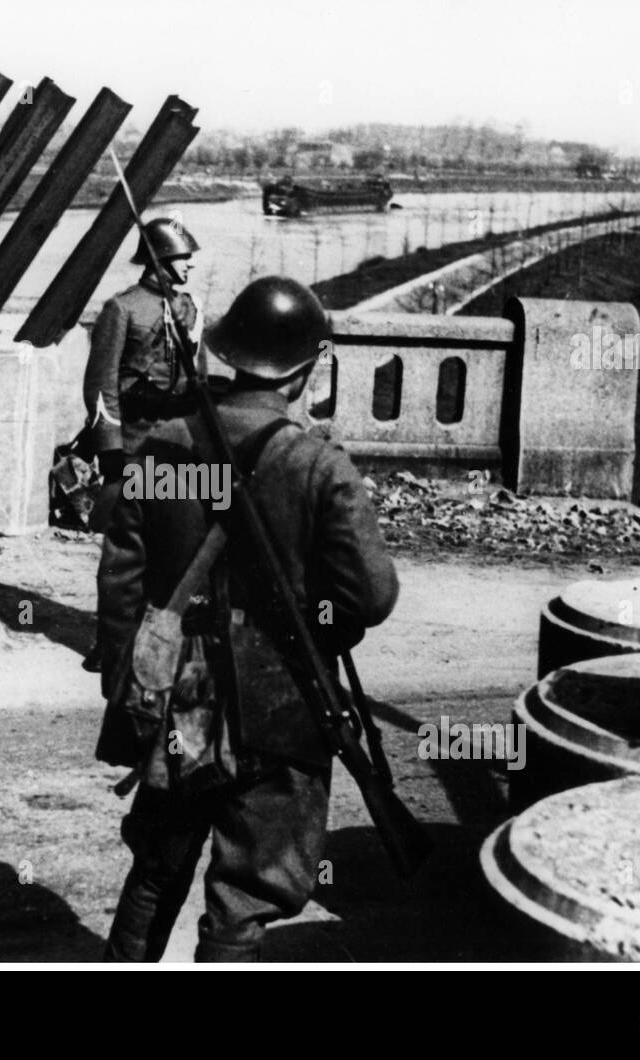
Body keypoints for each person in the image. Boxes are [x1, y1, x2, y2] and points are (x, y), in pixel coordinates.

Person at [95, 276, 398, 961]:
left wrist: (132, 687)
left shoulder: (163, 448)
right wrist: (321, 626)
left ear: (230, 354)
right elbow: (371, 596)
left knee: (157, 867)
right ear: (303, 371)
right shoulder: (319, 465)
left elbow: (120, 582)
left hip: (180, 697)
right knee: (244, 896)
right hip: (281, 700)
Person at [80, 216, 205, 672]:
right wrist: (110, 450)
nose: (189, 266)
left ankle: (162, 639)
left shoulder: (190, 309)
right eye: (182, 258)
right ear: (159, 259)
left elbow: (199, 380)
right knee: (124, 556)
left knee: (180, 546)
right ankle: (112, 644)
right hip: (133, 445)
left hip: (178, 448)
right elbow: (101, 385)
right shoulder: (122, 309)